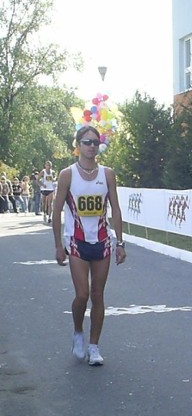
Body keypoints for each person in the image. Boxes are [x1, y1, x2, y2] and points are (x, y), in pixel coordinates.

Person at [52, 126, 126, 366]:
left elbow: (115, 209)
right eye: (87, 142)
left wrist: (121, 242)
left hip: (102, 242)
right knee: (82, 294)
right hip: (76, 242)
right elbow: (56, 212)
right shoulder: (67, 174)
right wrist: (58, 245)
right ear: (78, 145)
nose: (92, 146)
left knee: (98, 295)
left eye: (95, 142)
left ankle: (94, 347)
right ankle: (77, 331)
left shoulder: (107, 174)